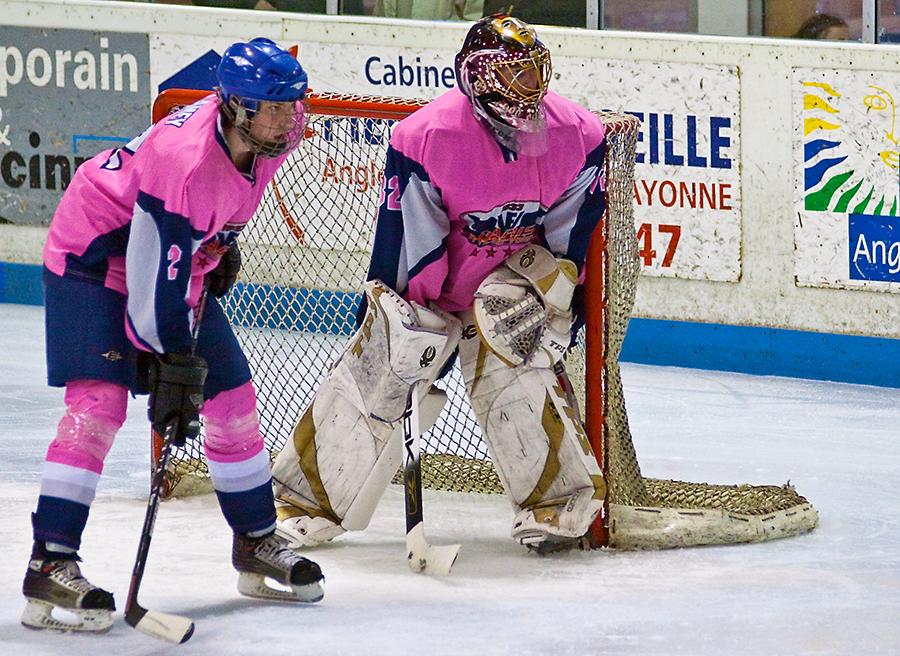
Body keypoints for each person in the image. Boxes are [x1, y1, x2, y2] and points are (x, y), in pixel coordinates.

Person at [271, 14, 608, 555]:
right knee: (378, 376)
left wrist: (555, 303)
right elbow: (411, 233)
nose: (527, 89)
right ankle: (301, 505)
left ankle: (556, 504)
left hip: (512, 284)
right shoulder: (428, 136)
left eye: (532, 72)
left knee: (520, 365)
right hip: (438, 284)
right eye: (512, 74)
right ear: (477, 76)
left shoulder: (577, 133)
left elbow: (569, 237)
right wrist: (406, 323)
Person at [23, 37, 324, 633]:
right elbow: (146, 271)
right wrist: (171, 363)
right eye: (275, 107)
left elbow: (217, 213)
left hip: (170, 257)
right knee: (99, 405)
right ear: (237, 107)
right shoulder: (181, 159)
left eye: (293, 105)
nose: (290, 119)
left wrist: (220, 244)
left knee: (233, 394)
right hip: (92, 257)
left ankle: (255, 539)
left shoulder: (271, 141)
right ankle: (50, 559)